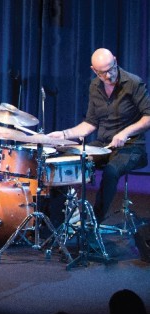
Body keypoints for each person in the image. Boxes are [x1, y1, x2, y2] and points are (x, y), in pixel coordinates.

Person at [47, 48, 150, 224]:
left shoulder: (134, 83)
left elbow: (148, 116)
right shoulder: (95, 86)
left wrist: (125, 133)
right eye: (103, 73)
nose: (109, 75)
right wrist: (64, 134)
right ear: (94, 70)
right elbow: (91, 123)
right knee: (63, 161)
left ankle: (94, 223)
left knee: (111, 171)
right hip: (103, 145)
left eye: (112, 68)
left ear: (116, 61)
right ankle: (59, 221)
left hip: (132, 147)